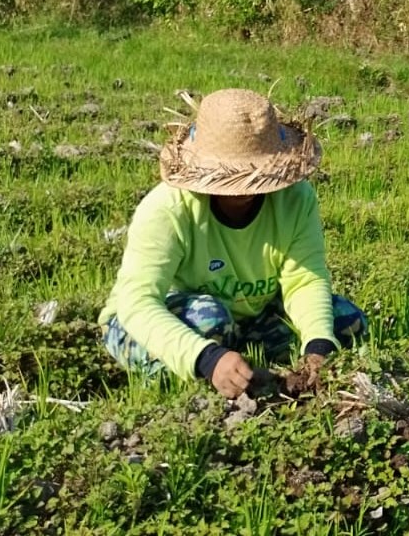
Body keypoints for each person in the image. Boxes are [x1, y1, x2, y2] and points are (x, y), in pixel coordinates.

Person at [99, 88, 366, 398]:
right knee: (210, 319)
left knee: (346, 322)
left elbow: (305, 279)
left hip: (248, 315)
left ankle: (237, 362)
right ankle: (200, 381)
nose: (246, 189)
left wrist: (318, 348)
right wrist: (206, 358)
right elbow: (137, 303)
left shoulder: (295, 199)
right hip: (149, 322)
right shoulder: (167, 209)